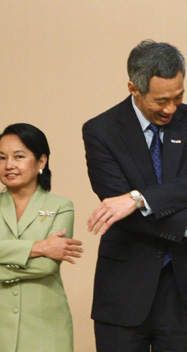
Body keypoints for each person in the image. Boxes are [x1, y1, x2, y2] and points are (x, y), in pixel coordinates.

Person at [83, 40, 187, 352]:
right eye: (160, 101)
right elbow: (116, 206)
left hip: (184, 283)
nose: (170, 109)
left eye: (178, 97)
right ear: (134, 88)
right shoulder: (101, 130)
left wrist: (136, 198)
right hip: (123, 287)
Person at [0, 123, 83, 352]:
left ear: (41, 162)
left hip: (45, 329)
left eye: (18, 156)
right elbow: (44, 254)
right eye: (1, 157)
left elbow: (47, 266)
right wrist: (40, 246)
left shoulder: (60, 206)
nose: (9, 165)